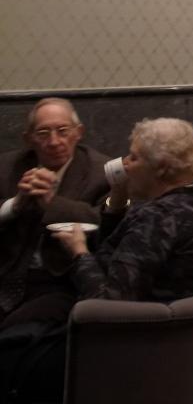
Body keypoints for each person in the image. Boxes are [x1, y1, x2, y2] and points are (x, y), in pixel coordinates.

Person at [2, 118, 193, 401]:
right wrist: (117, 200)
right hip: (152, 330)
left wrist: (78, 252)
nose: (125, 164)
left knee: (12, 346)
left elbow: (108, 304)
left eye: (134, 157)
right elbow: (115, 254)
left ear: (161, 168)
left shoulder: (159, 217)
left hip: (135, 344)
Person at [0, 98, 111, 328]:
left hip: (61, 280)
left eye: (63, 131)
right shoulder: (7, 167)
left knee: (15, 331)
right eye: (43, 133)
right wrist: (15, 204)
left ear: (78, 133)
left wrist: (52, 203)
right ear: (28, 139)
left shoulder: (101, 172)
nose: (54, 141)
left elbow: (105, 220)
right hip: (8, 273)